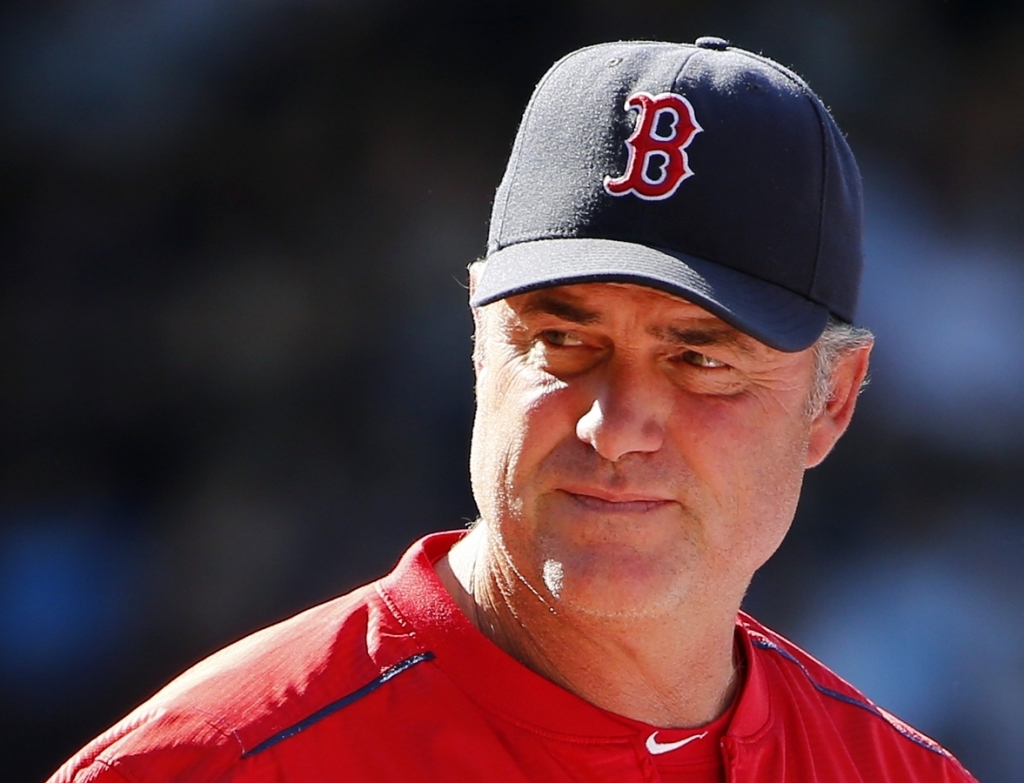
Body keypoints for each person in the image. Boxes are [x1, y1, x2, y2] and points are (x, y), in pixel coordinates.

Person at [49, 38, 977, 783]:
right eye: (565, 342)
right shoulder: (209, 764)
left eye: (699, 359)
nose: (612, 425)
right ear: (481, 339)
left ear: (834, 400)